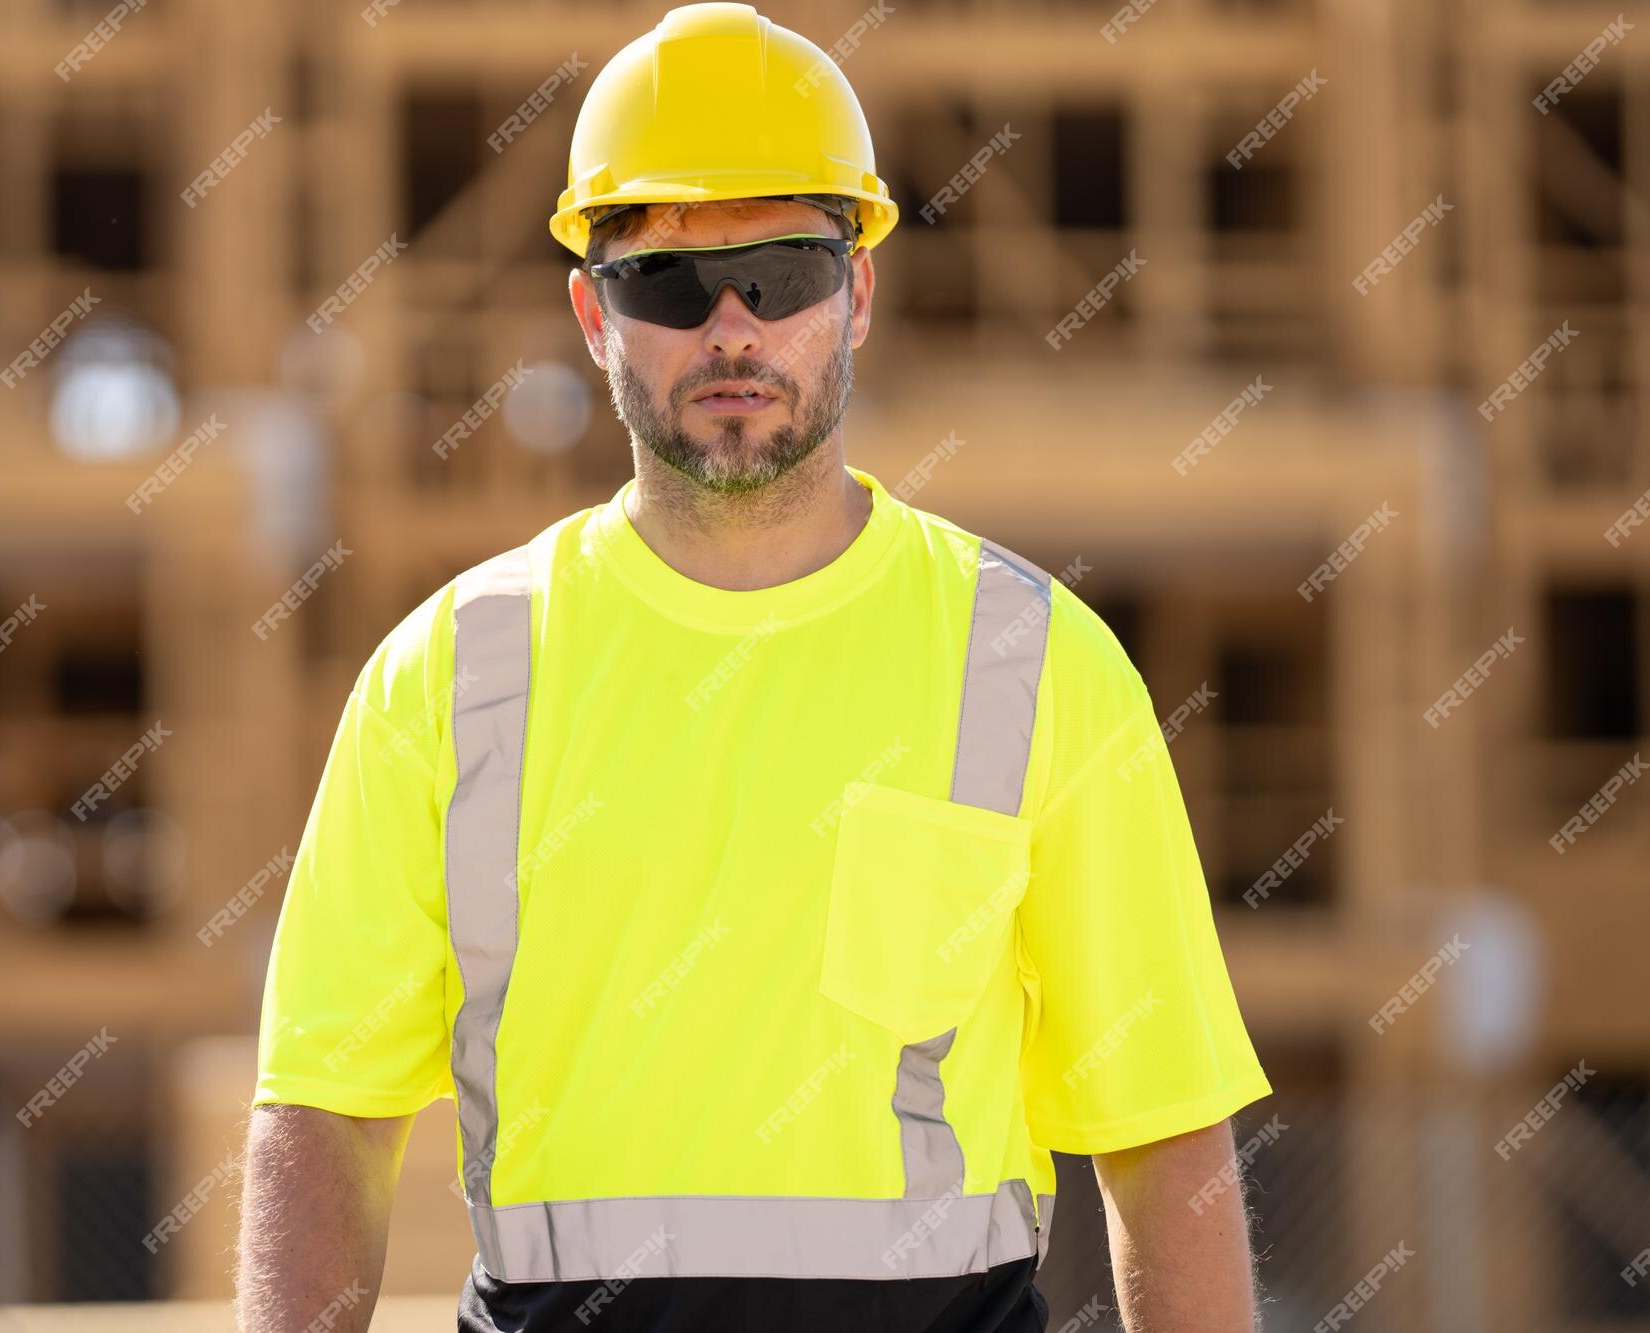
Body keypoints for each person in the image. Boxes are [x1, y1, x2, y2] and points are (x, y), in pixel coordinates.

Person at [236, 5, 1272, 1331]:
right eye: (669, 285)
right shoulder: (444, 679)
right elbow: (323, 1114)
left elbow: (1165, 1133)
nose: (732, 327)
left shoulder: (1034, 662)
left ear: (860, 291)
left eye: (780, 274)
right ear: (591, 315)